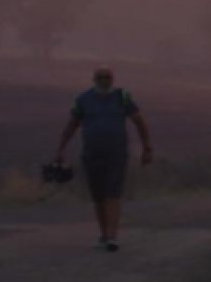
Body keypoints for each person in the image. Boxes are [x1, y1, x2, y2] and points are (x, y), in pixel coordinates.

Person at [54, 68, 152, 252]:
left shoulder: (123, 96)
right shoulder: (83, 99)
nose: (104, 80)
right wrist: (61, 148)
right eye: (100, 77)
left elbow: (139, 121)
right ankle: (104, 234)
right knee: (98, 196)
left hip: (117, 153)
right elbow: (71, 125)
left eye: (108, 77)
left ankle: (112, 237)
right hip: (92, 153)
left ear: (113, 79)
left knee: (113, 194)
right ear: (94, 79)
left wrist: (147, 148)